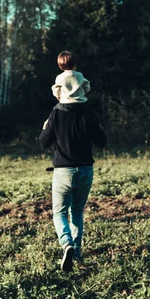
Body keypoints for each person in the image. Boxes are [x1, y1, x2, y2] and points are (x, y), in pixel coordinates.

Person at [39, 66, 107, 272]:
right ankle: (76, 252)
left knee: (59, 213)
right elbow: (102, 142)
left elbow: (43, 142)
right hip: (86, 170)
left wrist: (46, 127)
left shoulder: (56, 113)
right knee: (76, 211)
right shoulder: (89, 113)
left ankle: (67, 242)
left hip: (63, 172)